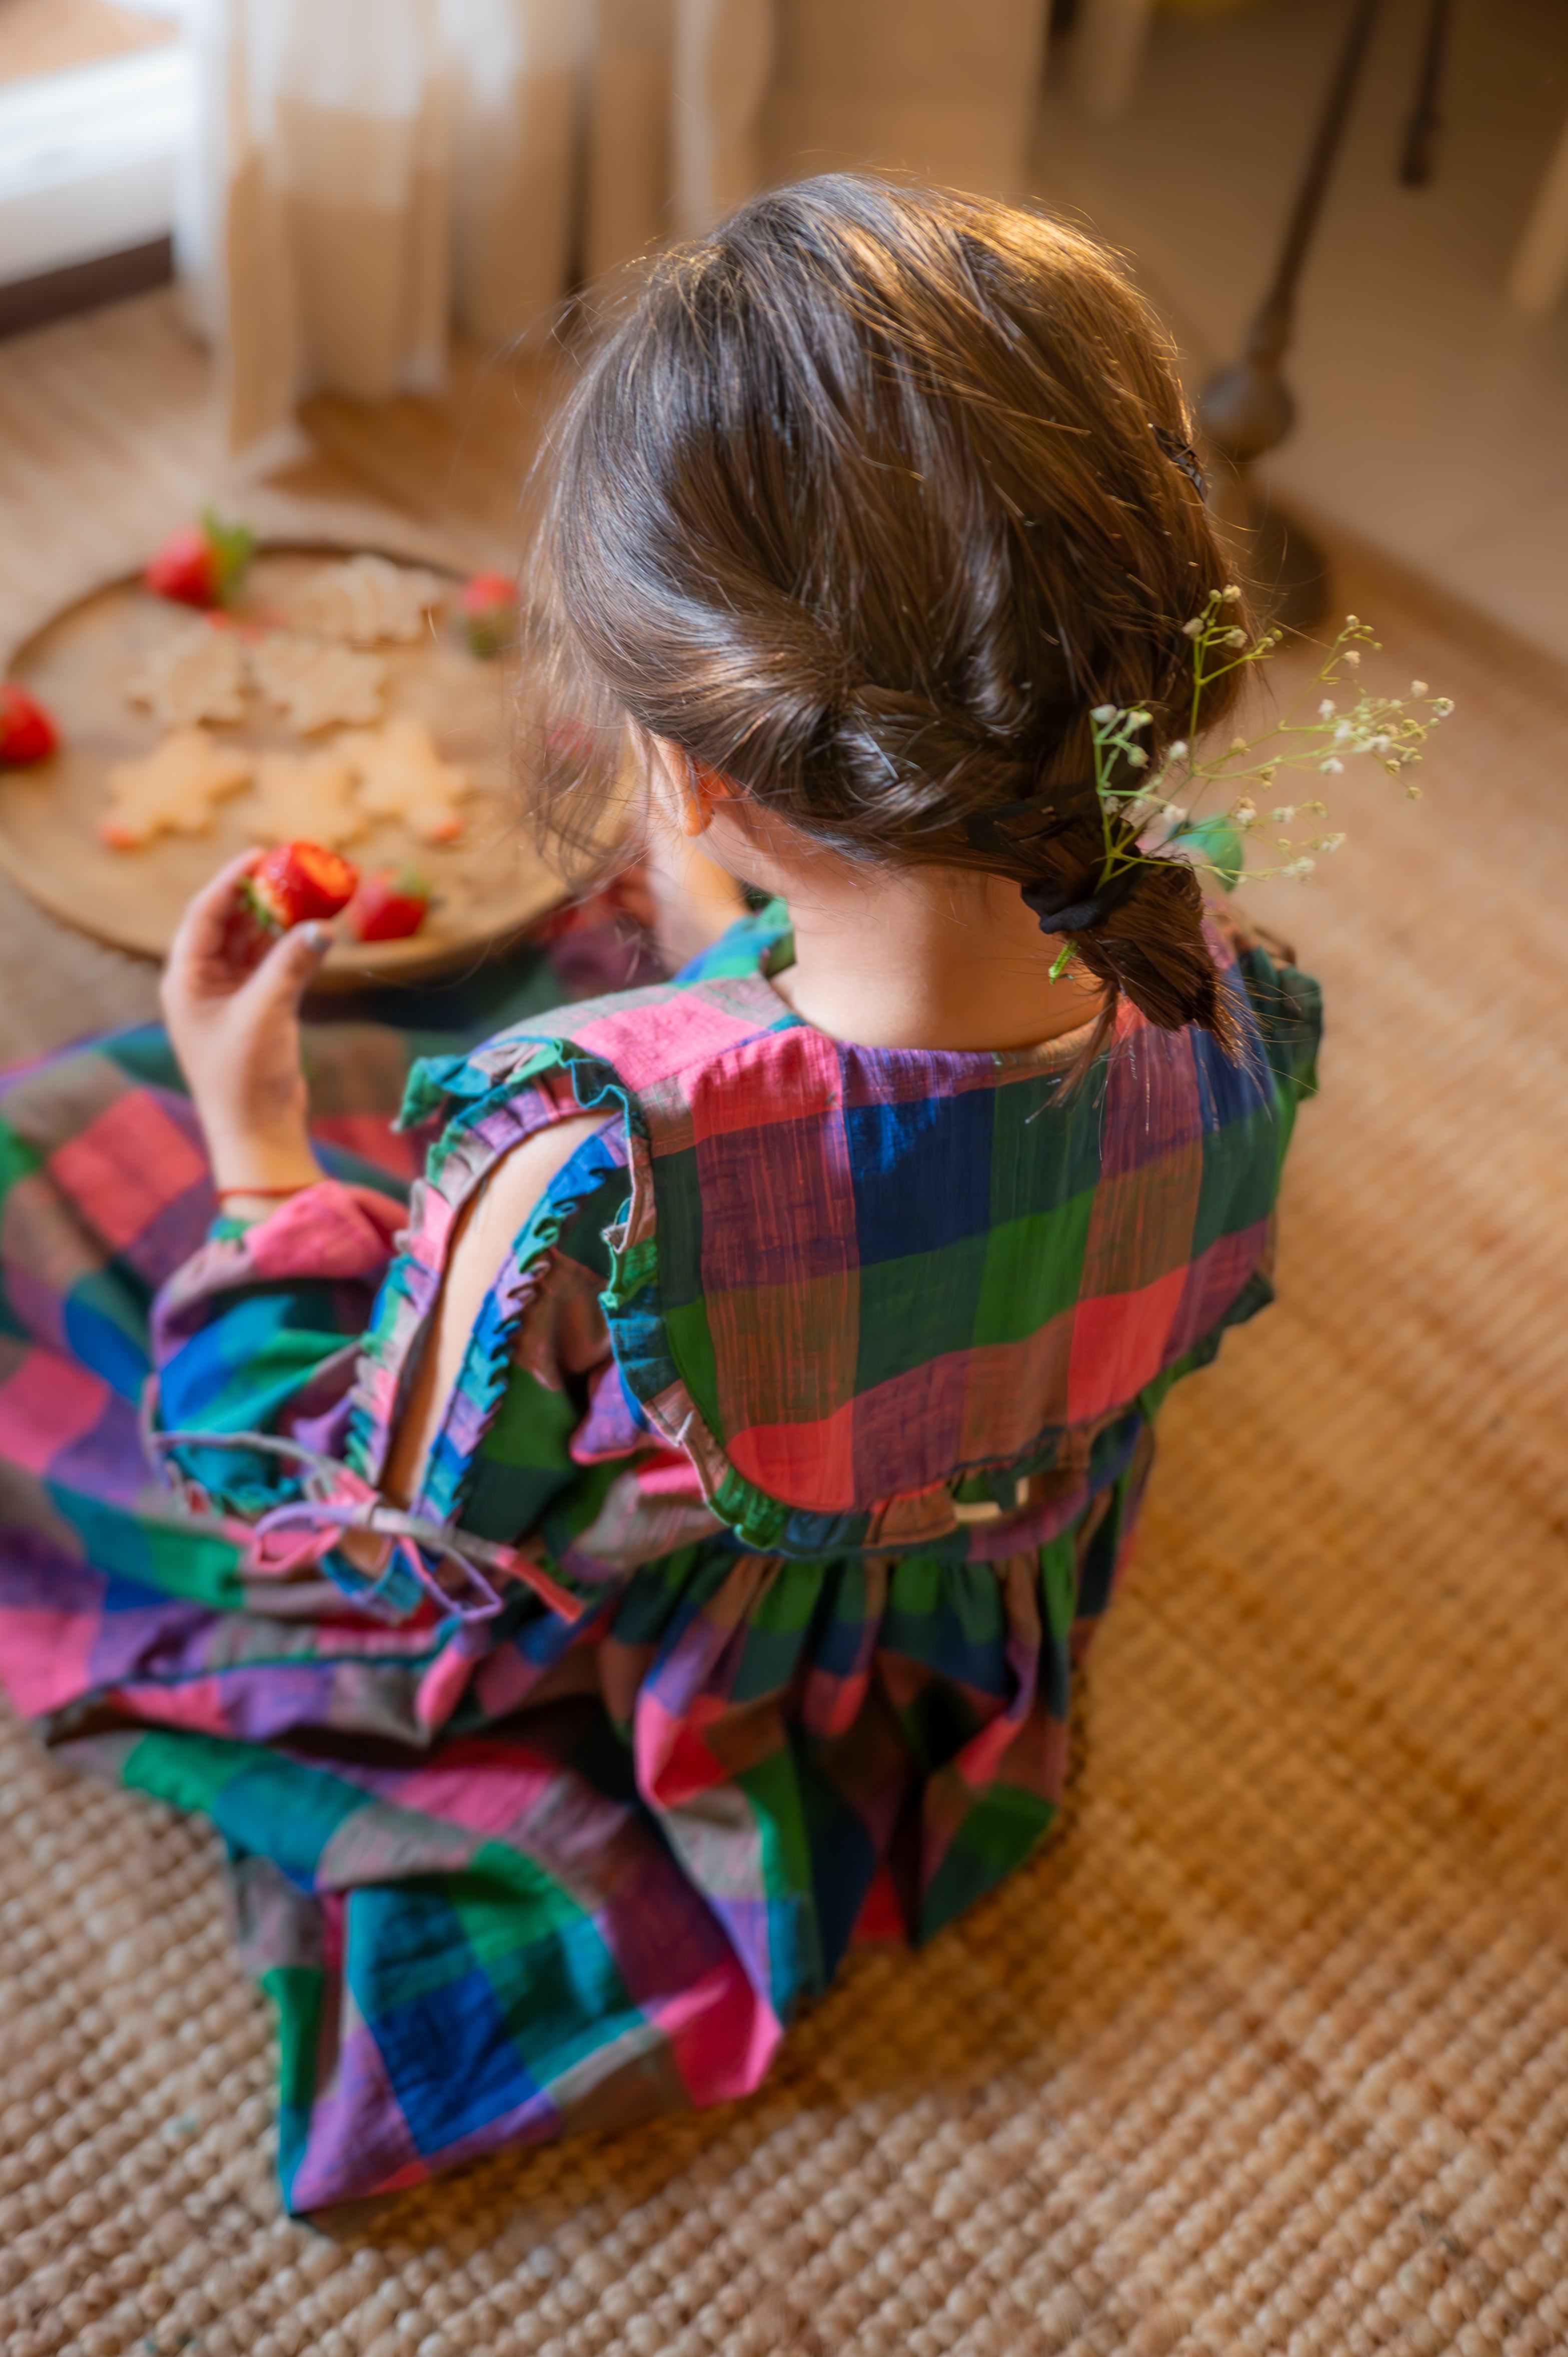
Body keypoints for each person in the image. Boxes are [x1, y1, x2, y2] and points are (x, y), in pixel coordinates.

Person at [0, 176, 1320, 2212]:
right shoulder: (1221, 982)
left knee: (59, 1157)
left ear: (692, 769)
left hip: (683, 1658)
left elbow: (394, 1517)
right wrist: (724, 906)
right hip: (944, 1608)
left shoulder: (584, 1147)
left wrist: (254, 1137)